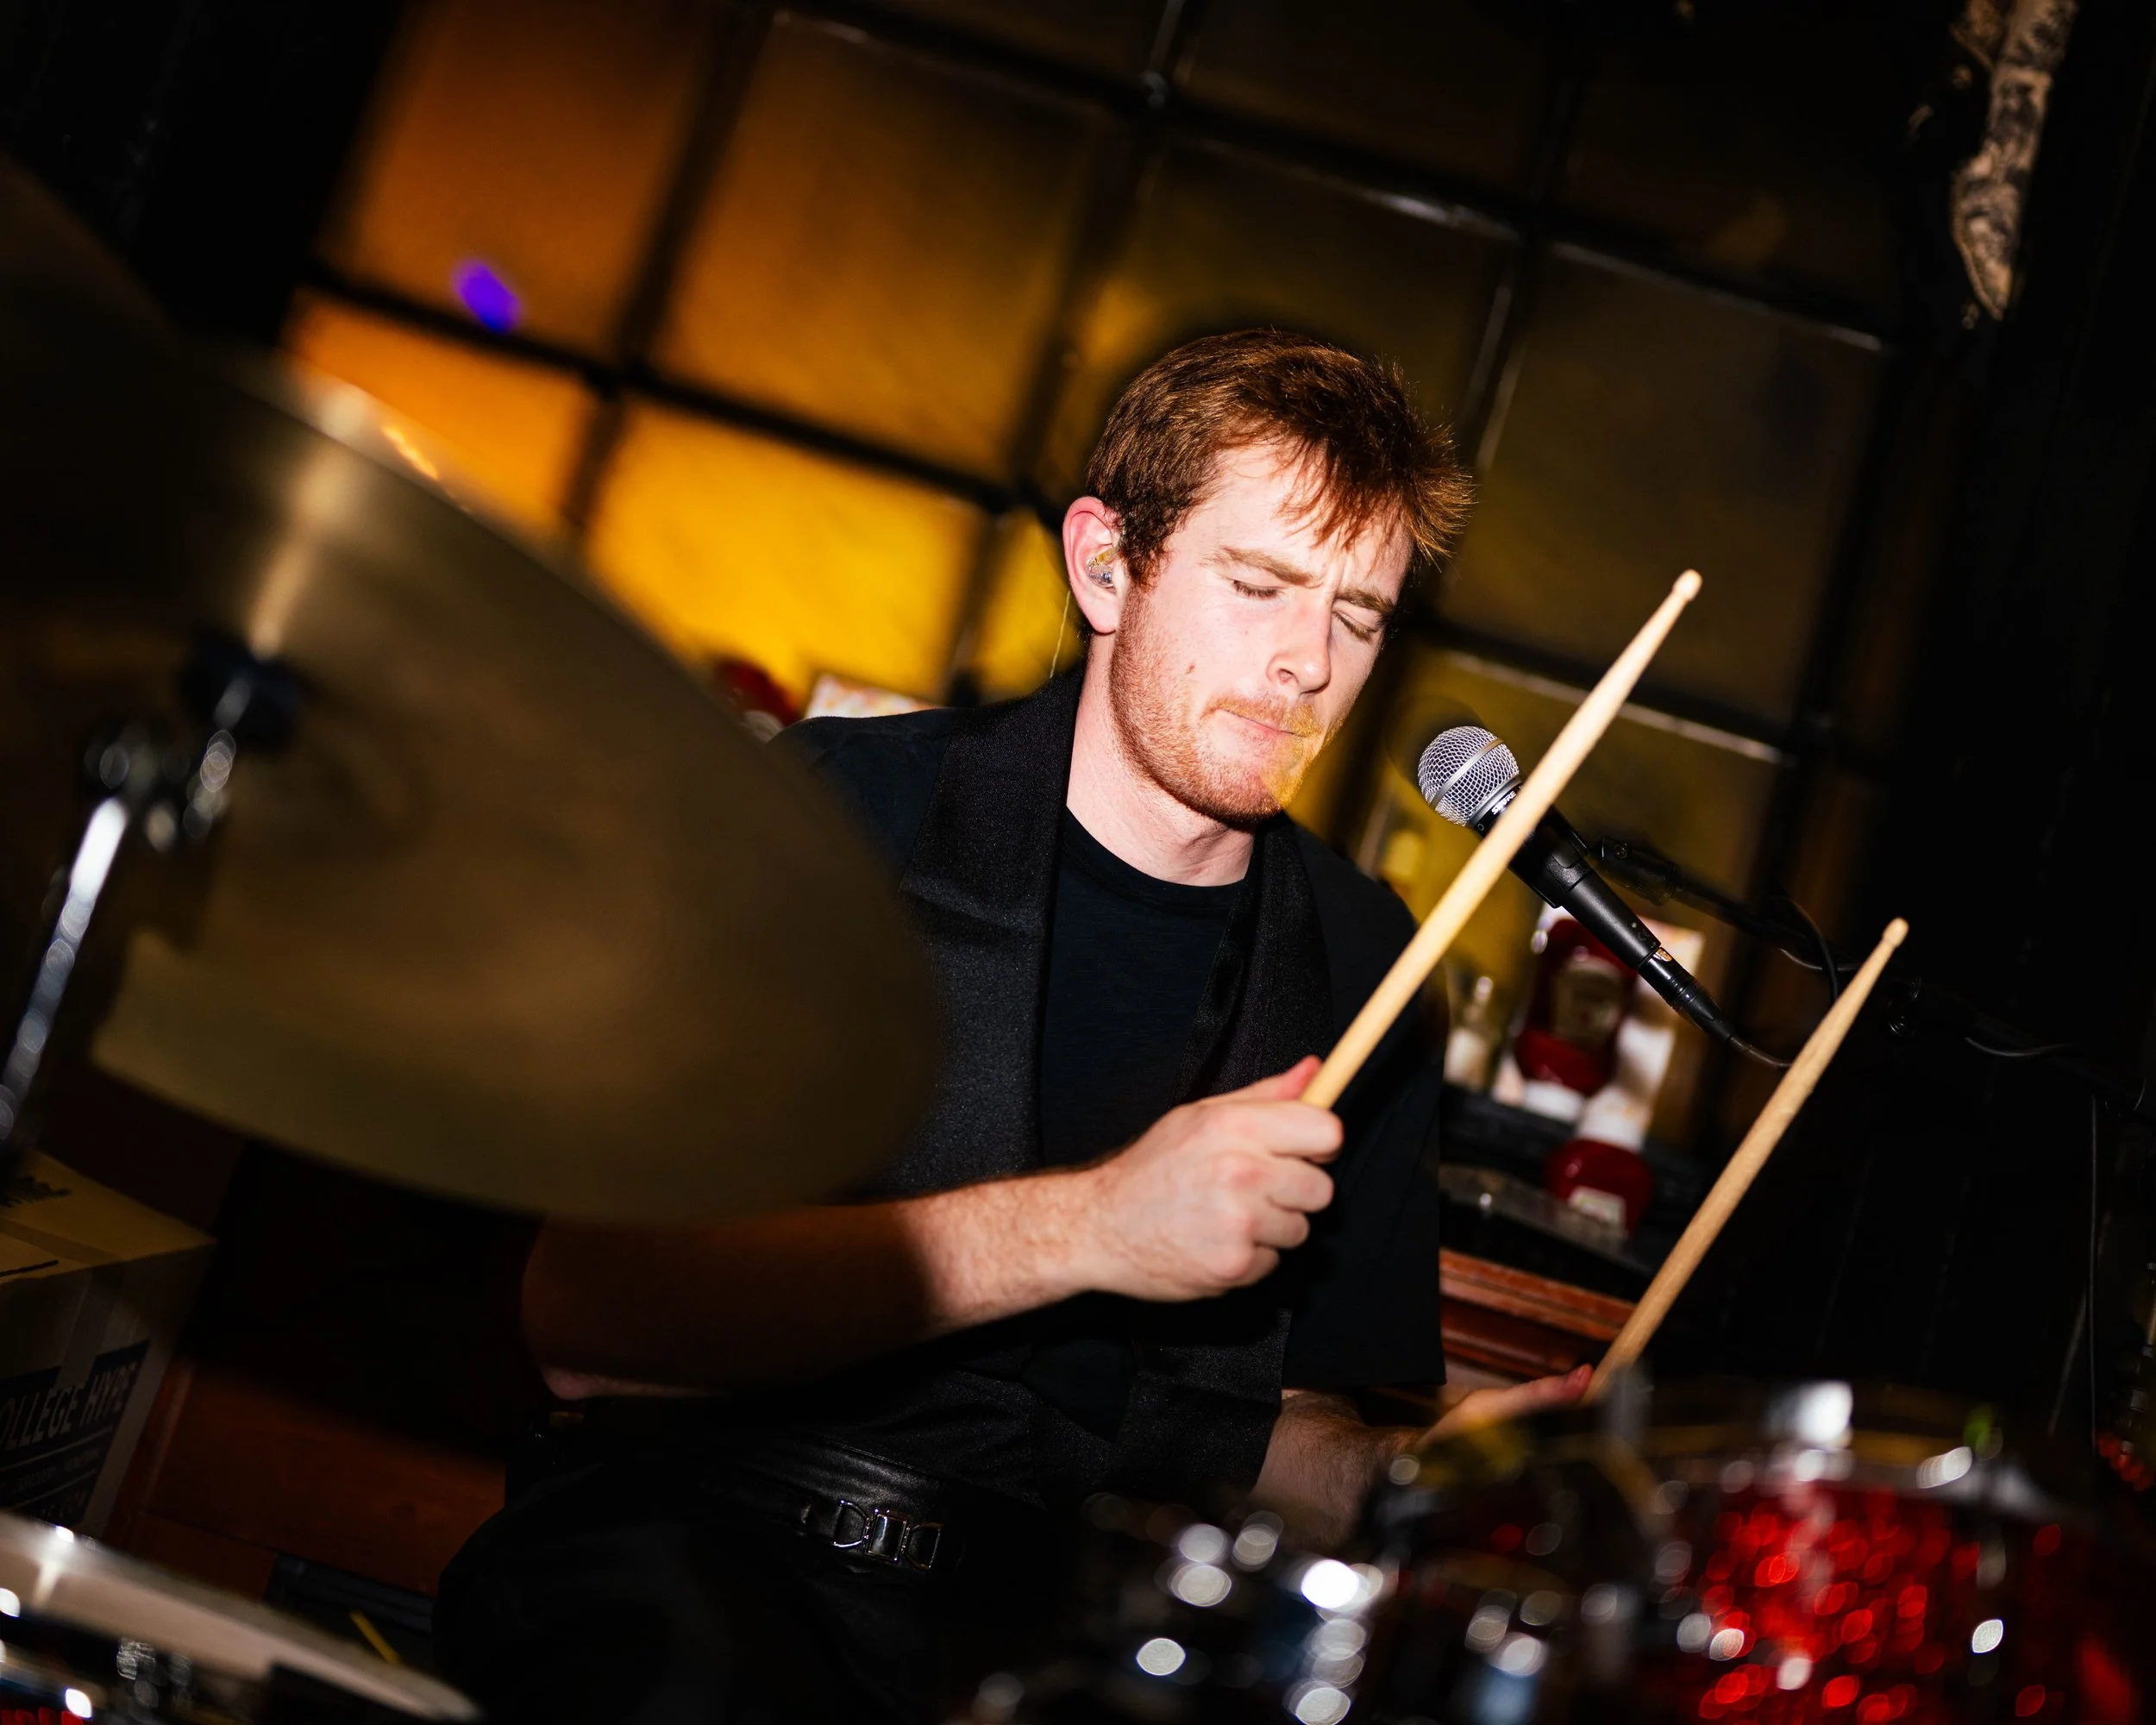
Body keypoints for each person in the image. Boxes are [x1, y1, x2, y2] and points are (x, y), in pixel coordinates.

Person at [436, 330, 1588, 1723]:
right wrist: (1096, 1226)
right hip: (699, 1560)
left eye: (1357, 616)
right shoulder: (840, 819)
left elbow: (1265, 1440)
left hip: (1046, 1646)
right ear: (1105, 563)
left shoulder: (1361, 965)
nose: (1308, 665)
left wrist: (1429, 1478)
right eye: (1261, 584)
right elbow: (589, 1319)